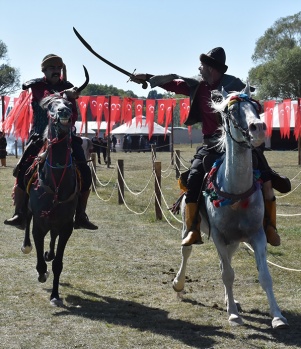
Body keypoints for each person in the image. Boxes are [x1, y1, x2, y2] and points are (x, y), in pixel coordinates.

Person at [134, 47, 287, 247]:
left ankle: (270, 227)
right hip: (211, 144)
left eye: (202, 65)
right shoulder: (197, 85)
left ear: (211, 68)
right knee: (194, 179)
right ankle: (193, 229)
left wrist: (250, 106)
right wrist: (147, 77)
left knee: (266, 178)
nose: (199, 68)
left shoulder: (234, 86)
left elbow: (252, 104)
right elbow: (174, 84)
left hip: (238, 143)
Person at [4, 54, 98, 230]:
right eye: (52, 68)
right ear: (44, 70)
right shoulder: (37, 86)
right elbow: (45, 100)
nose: (56, 71)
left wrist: (69, 100)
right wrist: (65, 95)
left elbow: (74, 114)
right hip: (40, 136)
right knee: (22, 169)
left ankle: (81, 215)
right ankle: (19, 213)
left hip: (66, 137)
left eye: (58, 68)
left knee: (85, 172)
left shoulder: (69, 87)